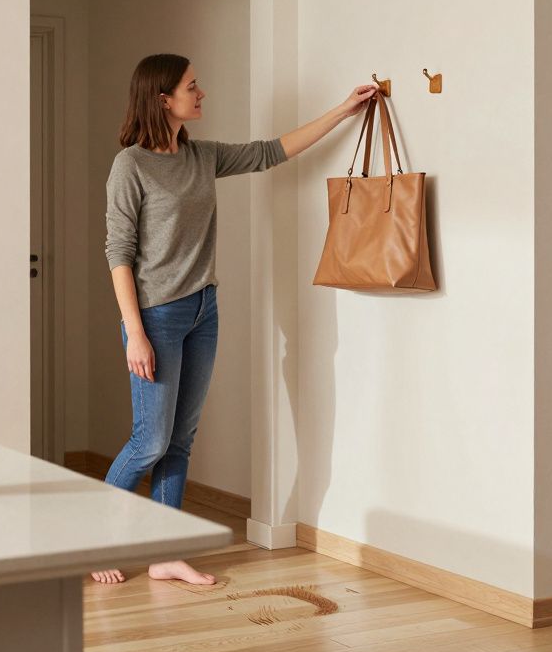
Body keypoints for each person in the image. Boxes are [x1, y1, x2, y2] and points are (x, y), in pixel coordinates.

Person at [92, 53, 376, 585]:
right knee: (149, 442)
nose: (201, 94)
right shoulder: (130, 165)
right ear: (163, 99)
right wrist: (134, 331)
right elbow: (118, 253)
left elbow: (271, 152)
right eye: (192, 87)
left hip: (203, 310)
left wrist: (343, 111)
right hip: (154, 317)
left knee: (180, 440)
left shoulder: (200, 156)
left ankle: (165, 552)